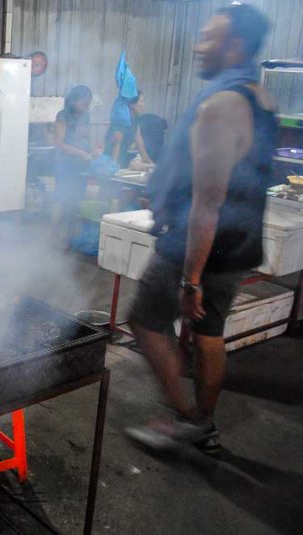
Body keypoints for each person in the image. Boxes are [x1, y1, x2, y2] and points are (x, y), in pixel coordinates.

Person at [126, 4, 275, 455]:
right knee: (210, 333)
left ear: (234, 46)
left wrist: (190, 278)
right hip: (239, 242)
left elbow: (209, 200)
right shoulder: (257, 95)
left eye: (209, 38)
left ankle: (185, 419)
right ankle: (204, 425)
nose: (198, 46)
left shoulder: (222, 105)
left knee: (145, 322)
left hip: (196, 246)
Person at [51, 85, 96, 247]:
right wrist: (81, 154)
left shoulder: (86, 116)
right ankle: (54, 236)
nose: (86, 107)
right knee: (61, 200)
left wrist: (94, 152)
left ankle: (70, 236)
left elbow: (89, 137)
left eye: (88, 104)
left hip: (80, 167)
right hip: (64, 165)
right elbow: (59, 143)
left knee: (75, 200)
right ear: (74, 101)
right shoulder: (63, 116)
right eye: (84, 104)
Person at [104, 91, 153, 169]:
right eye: (141, 101)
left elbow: (139, 140)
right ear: (132, 105)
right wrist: (113, 168)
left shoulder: (135, 120)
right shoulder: (121, 121)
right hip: (110, 161)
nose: (144, 104)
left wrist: (148, 161)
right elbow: (116, 145)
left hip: (122, 159)